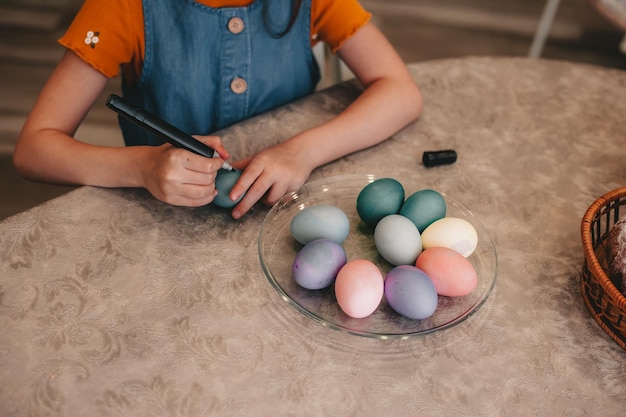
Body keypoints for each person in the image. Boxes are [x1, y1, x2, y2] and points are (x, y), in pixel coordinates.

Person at [13, 0, 422, 219]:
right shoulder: (122, 7)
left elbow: (401, 93)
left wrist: (303, 151)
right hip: (164, 223)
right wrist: (141, 167)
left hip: (284, 209)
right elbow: (34, 150)